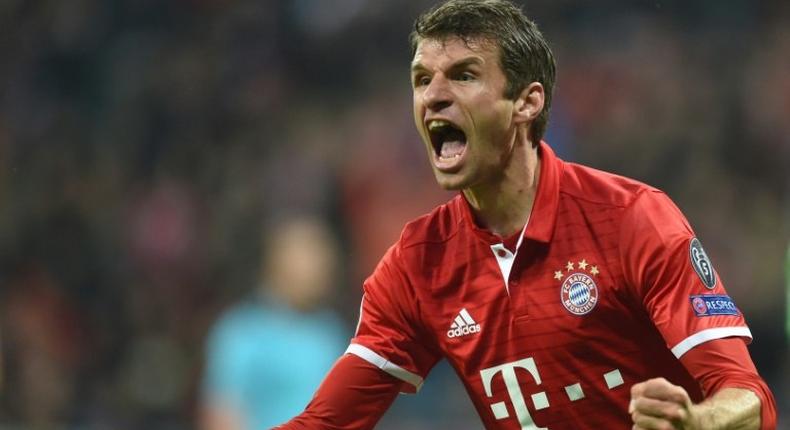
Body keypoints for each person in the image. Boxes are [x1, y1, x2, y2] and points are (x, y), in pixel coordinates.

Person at [278, 0, 777, 429]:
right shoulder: (418, 264)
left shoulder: (630, 219)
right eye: (422, 79)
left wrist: (698, 420)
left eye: (464, 75)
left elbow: (749, 397)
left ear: (526, 102)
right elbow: (325, 421)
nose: (433, 95)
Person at [200, 216, 347, 430]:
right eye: (310, 255)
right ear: (277, 261)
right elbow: (222, 413)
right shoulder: (242, 332)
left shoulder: (332, 332)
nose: (322, 266)